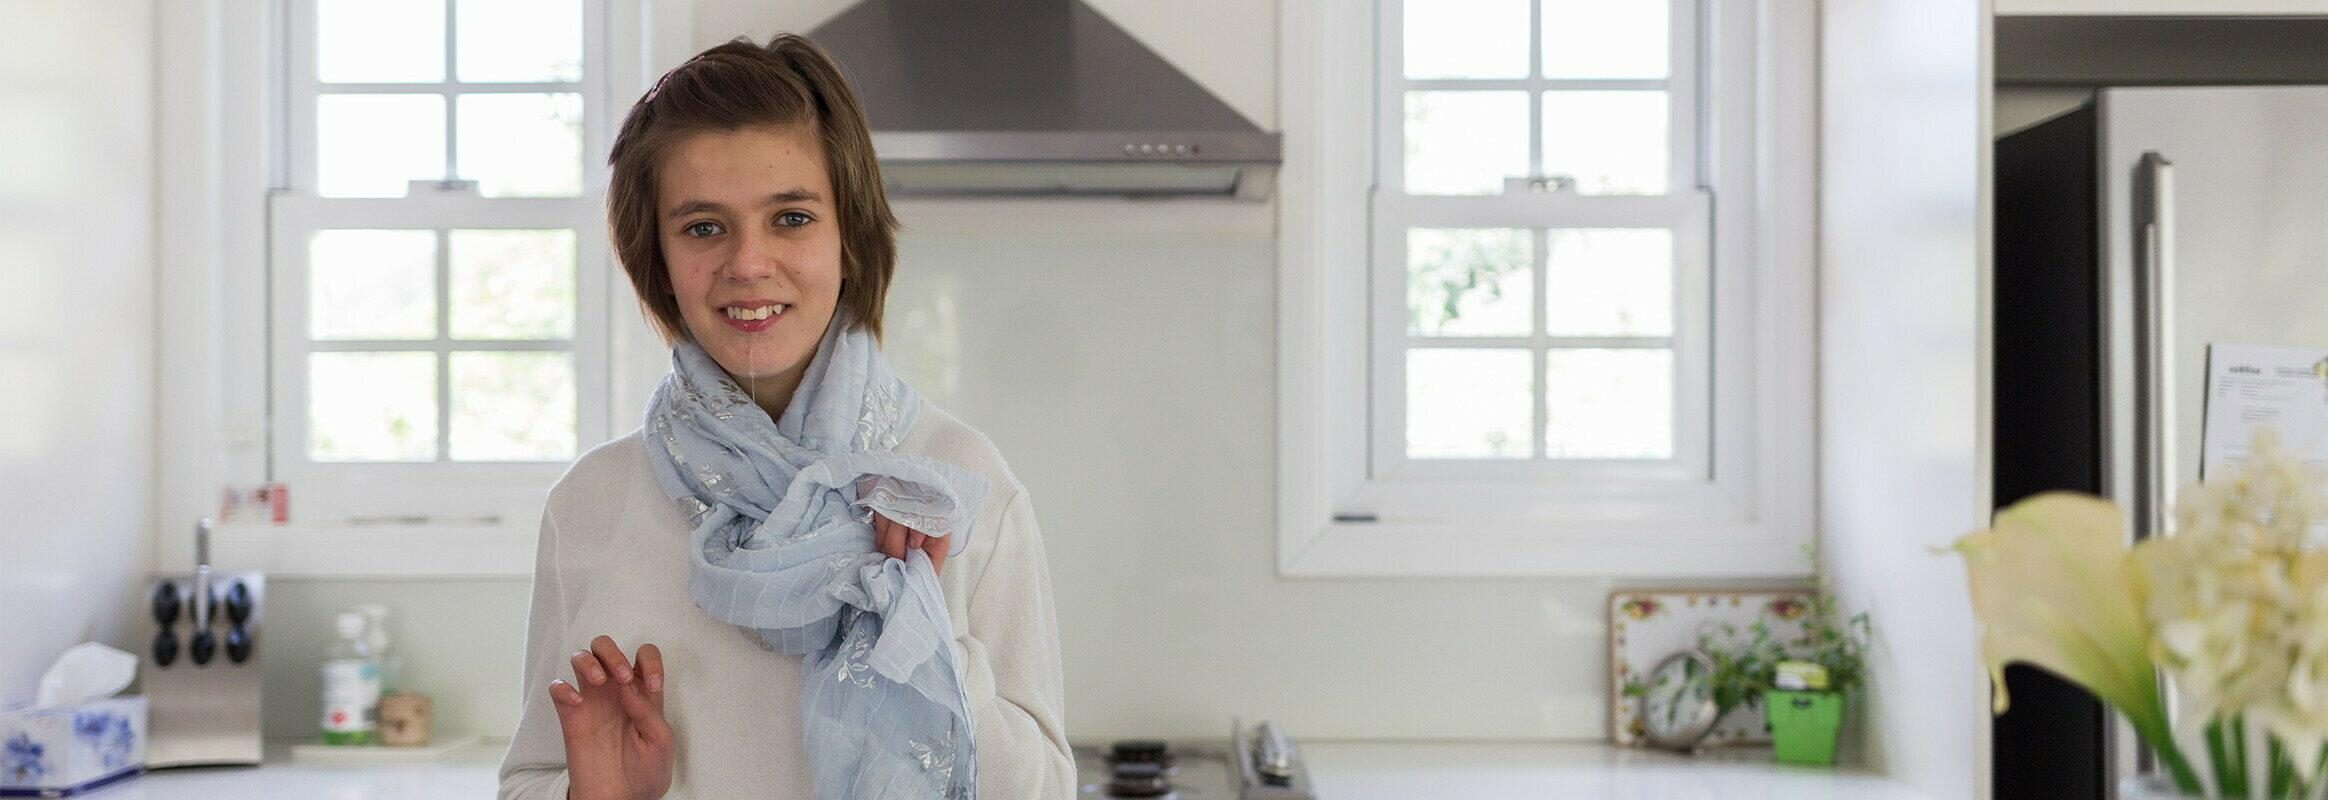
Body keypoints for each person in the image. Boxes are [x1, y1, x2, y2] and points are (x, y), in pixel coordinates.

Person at [497, 34, 1072, 800]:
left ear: (850, 240)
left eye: (792, 218)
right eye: (704, 227)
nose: (748, 264)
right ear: (658, 261)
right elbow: (530, 778)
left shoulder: (955, 482)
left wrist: (921, 633)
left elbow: (1043, 791)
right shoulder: (592, 503)